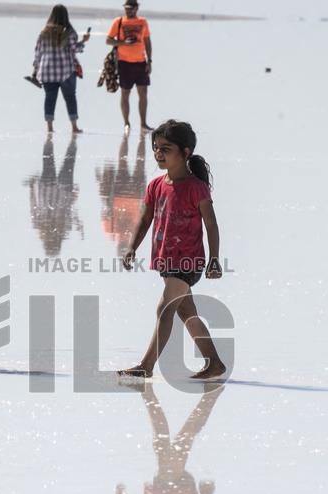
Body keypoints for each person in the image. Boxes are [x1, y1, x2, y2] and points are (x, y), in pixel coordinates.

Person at [119, 120, 226, 379]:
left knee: (164, 308)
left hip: (188, 261)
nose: (159, 153)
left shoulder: (196, 187)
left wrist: (214, 259)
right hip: (166, 261)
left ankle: (146, 366)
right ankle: (214, 363)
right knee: (187, 311)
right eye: (156, 148)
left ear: (185, 152)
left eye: (166, 148)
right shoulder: (156, 185)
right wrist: (132, 247)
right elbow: (145, 219)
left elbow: (211, 224)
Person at [32, 5, 90, 134]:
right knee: (70, 97)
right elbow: (75, 49)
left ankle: (50, 127)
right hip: (66, 71)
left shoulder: (44, 33)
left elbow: (38, 53)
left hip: (47, 72)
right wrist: (84, 41)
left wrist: (35, 69)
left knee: (50, 98)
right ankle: (74, 127)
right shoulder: (69, 32)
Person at [26, 134, 83, 256]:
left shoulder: (62, 228)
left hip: (63, 190)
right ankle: (49, 138)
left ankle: (72, 140)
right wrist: (32, 188)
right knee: (48, 160)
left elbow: (69, 211)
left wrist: (73, 199)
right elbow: (33, 206)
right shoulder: (38, 225)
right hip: (47, 188)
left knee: (69, 160)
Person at [106, 0, 153, 132]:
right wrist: (123, 42)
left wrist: (149, 61)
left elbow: (147, 41)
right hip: (124, 63)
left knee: (143, 93)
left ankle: (143, 123)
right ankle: (126, 123)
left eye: (131, 8)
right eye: (126, 8)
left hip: (141, 62)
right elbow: (108, 40)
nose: (128, 11)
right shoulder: (119, 21)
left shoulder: (143, 22)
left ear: (136, 8)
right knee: (125, 93)